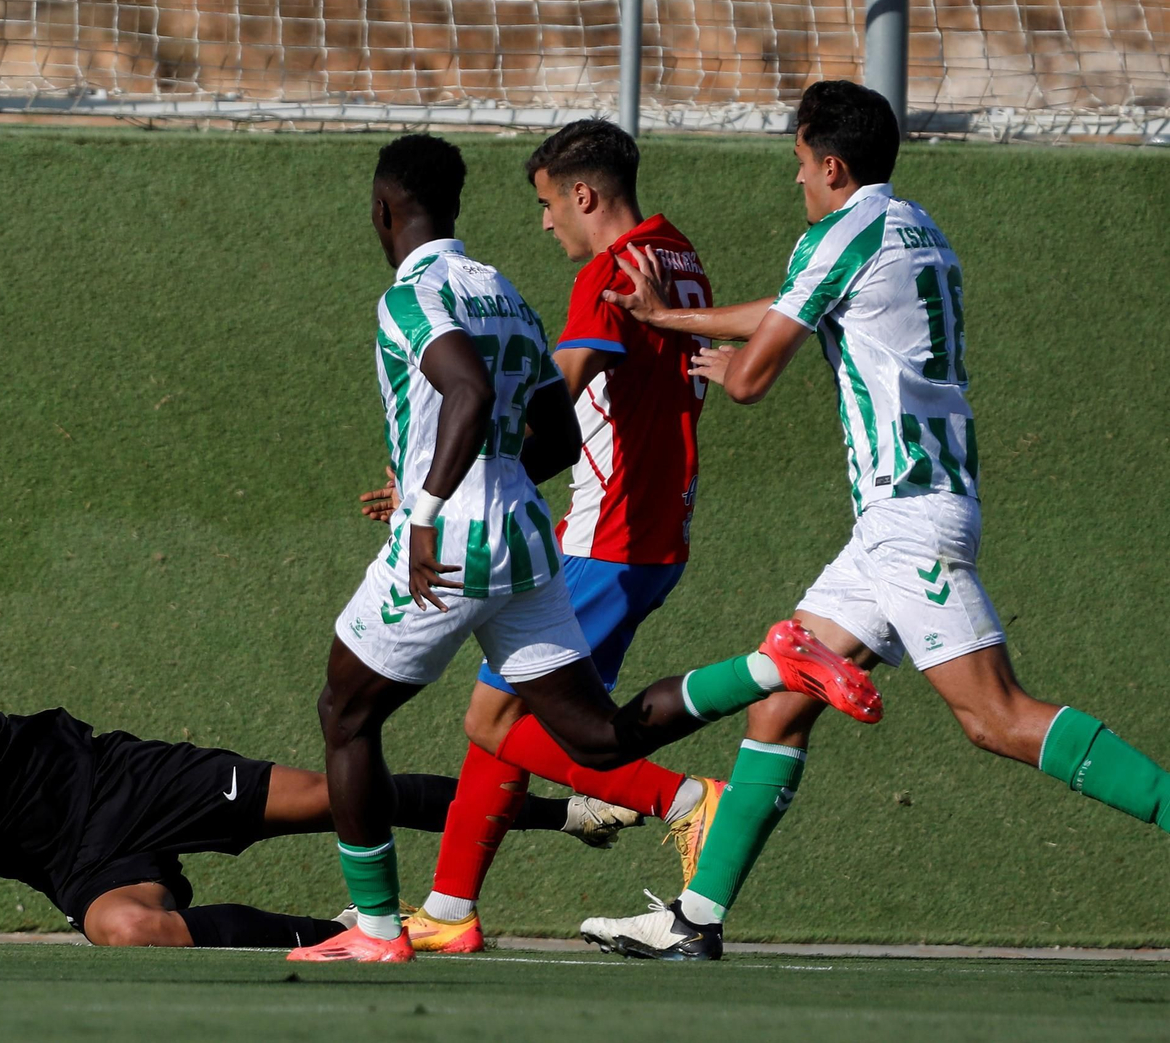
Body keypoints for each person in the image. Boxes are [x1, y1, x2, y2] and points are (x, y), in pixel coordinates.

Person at [577, 79, 1170, 960]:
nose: (797, 183)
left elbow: (749, 376)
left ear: (833, 166)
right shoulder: (914, 225)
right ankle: (695, 921)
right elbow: (789, 311)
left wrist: (701, 358)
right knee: (779, 707)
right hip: (899, 518)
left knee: (994, 717)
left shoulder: (841, 233)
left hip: (909, 518)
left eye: (800, 166)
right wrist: (668, 315)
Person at [288, 135, 864, 964]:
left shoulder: (474, 288)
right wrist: (478, 469)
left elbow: (475, 391)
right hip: (542, 536)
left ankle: (379, 930)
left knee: (350, 714)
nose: (550, 221)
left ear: (382, 213)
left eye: (551, 203)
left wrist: (428, 503)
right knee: (587, 735)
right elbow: (547, 427)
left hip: (557, 532)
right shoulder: (524, 290)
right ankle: (772, 667)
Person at [0, 609, 631, 948]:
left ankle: (559, 807)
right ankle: (372, 936)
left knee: (326, 792)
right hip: (68, 860)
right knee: (128, 931)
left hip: (112, 782)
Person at [380, 120, 727, 954]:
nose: (544, 225)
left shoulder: (610, 275)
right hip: (652, 533)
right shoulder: (677, 255)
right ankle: (451, 910)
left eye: (546, 205)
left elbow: (553, 409)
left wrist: (442, 484)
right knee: (520, 704)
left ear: (583, 195)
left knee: (494, 717)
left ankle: (684, 800)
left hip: (606, 534)